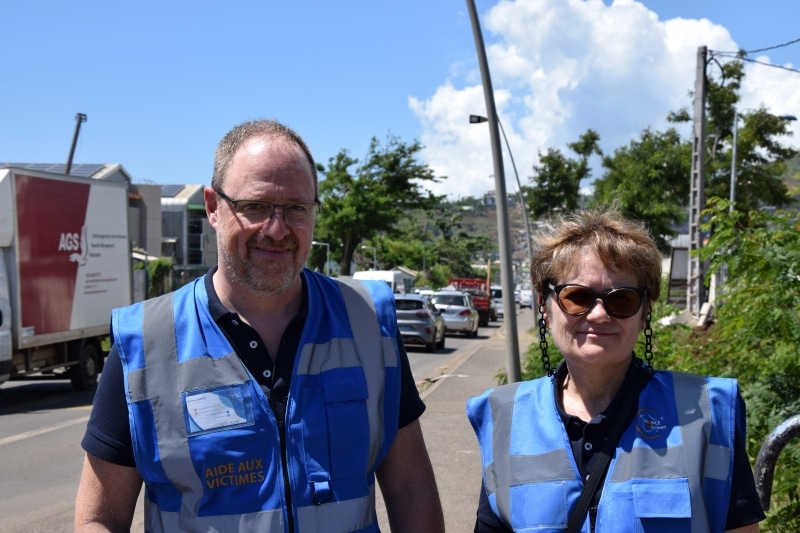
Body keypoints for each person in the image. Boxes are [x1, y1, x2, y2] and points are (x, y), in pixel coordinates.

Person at [75, 119, 445, 533]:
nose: (277, 228)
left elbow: (411, 486)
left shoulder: (368, 320)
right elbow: (99, 517)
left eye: (296, 209)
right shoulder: (144, 340)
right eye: (255, 206)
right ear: (213, 207)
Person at [466, 207, 764, 533]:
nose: (598, 315)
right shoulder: (505, 417)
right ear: (545, 308)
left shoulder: (707, 412)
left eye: (620, 300)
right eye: (577, 297)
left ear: (645, 313)